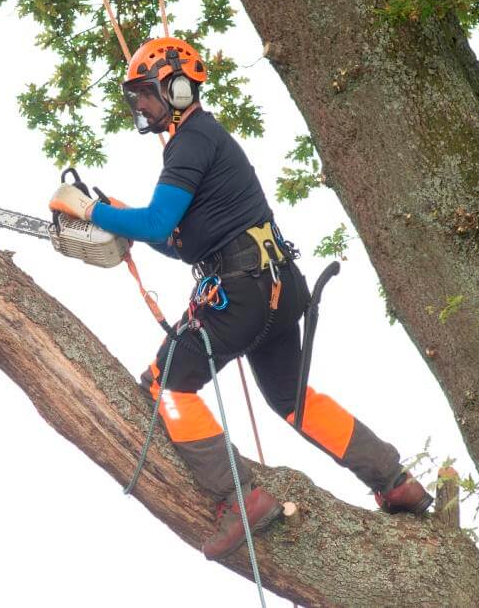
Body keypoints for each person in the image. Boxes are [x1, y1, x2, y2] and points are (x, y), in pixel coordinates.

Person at [49, 37, 432, 561]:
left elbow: (159, 221)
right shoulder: (203, 142)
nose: (140, 105)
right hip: (276, 285)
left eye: (146, 93)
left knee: (166, 386)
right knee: (292, 400)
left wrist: (94, 213)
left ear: (178, 86)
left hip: (240, 290)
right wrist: (120, 215)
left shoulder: (192, 139)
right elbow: (178, 241)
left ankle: (239, 496)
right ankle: (394, 479)